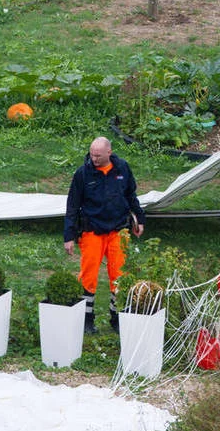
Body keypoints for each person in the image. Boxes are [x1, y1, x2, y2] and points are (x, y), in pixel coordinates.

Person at [64, 137, 145, 334]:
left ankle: (117, 317)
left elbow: (131, 196)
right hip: (92, 230)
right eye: (92, 155)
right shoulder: (83, 174)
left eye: (98, 155)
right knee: (88, 275)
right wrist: (69, 236)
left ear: (109, 153)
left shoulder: (122, 169)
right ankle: (86, 319)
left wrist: (139, 220)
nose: (94, 159)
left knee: (119, 274)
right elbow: (72, 205)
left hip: (118, 230)